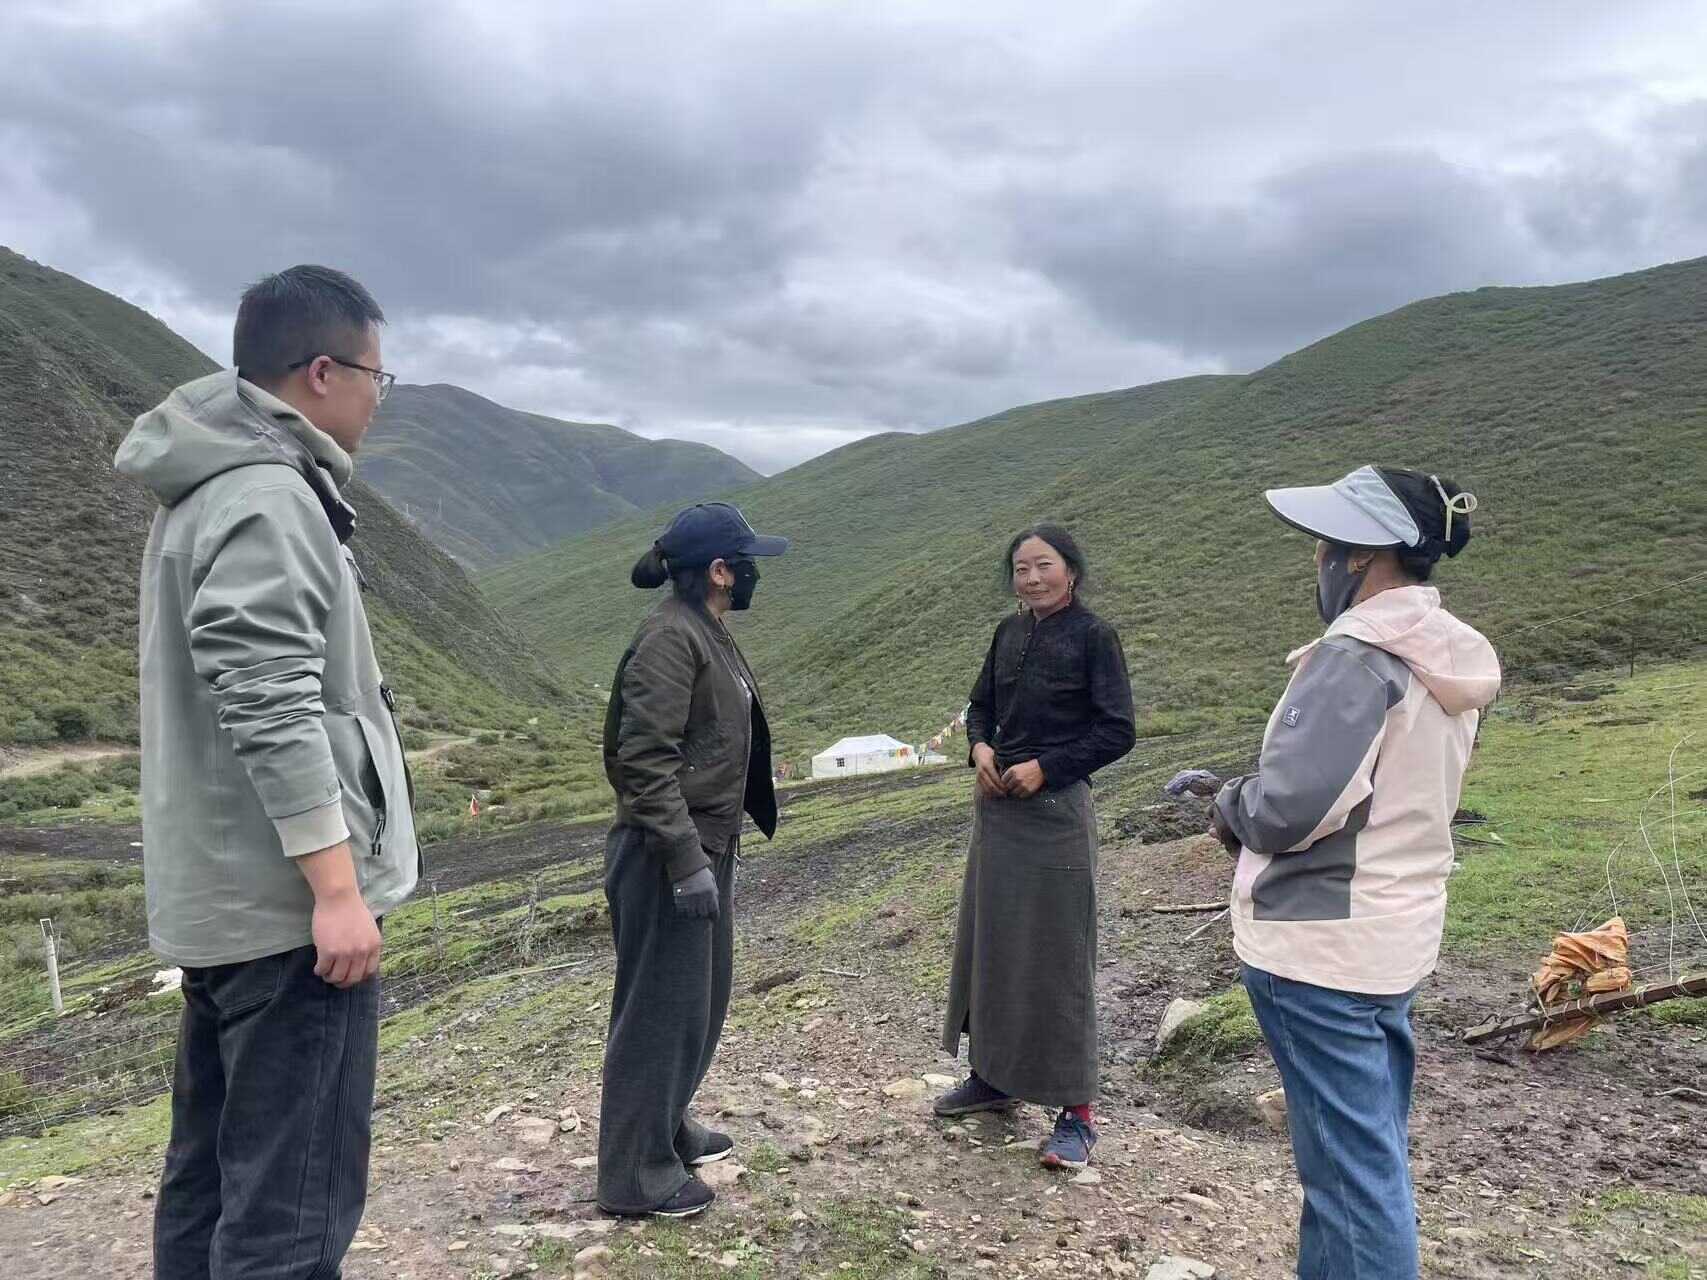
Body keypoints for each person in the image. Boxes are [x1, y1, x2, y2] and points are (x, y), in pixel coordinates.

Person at [115, 265, 418, 1278]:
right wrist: (335, 889)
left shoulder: (210, 486)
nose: (379, 398)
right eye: (377, 375)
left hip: (226, 899)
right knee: (288, 1212)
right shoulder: (270, 496)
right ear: (323, 373)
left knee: (210, 1182)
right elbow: (267, 694)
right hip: (287, 916)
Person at [1209, 466, 1500, 1280]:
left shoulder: (1354, 658)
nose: (1316, 559)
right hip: (1392, 932)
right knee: (1358, 1156)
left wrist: (1228, 803)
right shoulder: (1445, 654)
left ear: (1362, 555)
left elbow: (1288, 809)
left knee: (1350, 1179)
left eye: (1323, 544)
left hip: (1317, 946)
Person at [597, 501, 789, 1218]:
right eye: (748, 562)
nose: (755, 573)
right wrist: (684, 861)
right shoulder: (669, 640)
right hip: (665, 853)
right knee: (658, 1012)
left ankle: (667, 1126)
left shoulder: (703, 629)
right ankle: (633, 1176)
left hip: (703, 843)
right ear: (718, 571)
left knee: (694, 1002)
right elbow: (644, 762)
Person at [935, 524, 1136, 1170]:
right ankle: (992, 1078)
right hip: (998, 814)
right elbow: (978, 707)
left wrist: (1046, 768)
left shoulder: (1094, 637)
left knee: (1057, 959)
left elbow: (1117, 730)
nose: (1031, 578)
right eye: (1020, 569)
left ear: (1070, 570)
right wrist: (979, 749)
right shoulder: (1007, 633)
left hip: (1055, 818)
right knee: (993, 948)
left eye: (1043, 565)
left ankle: (1077, 1114)